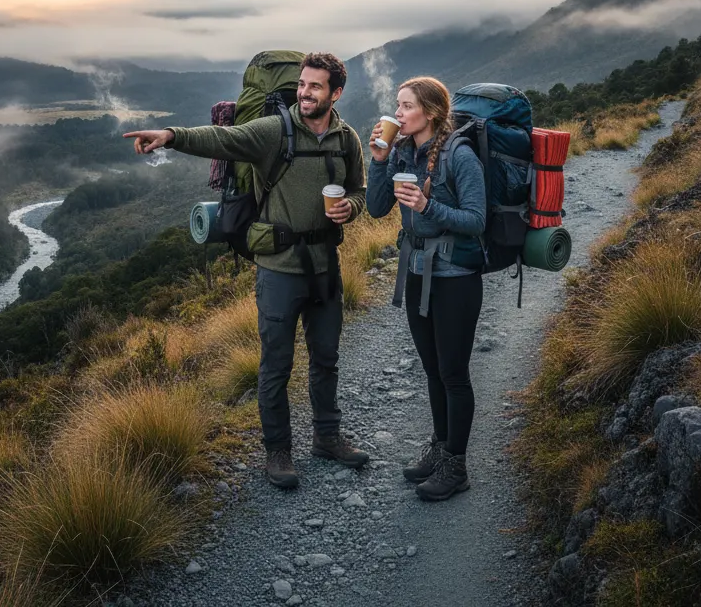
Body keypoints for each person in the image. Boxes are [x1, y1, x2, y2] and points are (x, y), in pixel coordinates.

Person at [124, 52, 369, 489]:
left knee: (326, 358)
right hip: (278, 268)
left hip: (325, 266)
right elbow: (222, 139)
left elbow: (359, 189)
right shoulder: (274, 131)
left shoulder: (346, 139)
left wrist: (351, 206)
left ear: (336, 92)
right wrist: (169, 135)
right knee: (276, 364)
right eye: (302, 84)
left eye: (315, 86)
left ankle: (328, 438)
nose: (305, 92)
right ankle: (277, 452)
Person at [366, 76, 486, 501]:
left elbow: (476, 220)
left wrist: (426, 205)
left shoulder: (460, 155)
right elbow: (377, 207)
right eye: (396, 106)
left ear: (430, 113)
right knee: (432, 369)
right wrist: (379, 160)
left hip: (456, 279)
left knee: (453, 373)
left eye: (405, 106)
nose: (396, 114)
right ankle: (439, 450)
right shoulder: (402, 150)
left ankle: (457, 465)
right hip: (416, 271)